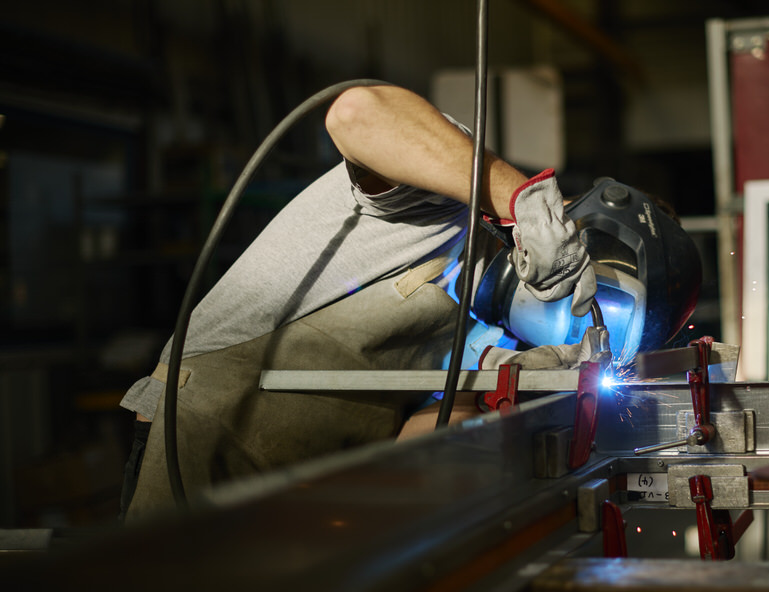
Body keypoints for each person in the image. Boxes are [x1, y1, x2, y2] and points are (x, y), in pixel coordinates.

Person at [118, 83, 605, 522]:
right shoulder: (445, 190)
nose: (568, 313)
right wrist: (518, 199)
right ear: (571, 233)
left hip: (304, 487)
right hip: (204, 441)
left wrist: (500, 399)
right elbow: (354, 112)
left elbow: (412, 448)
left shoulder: (491, 329)